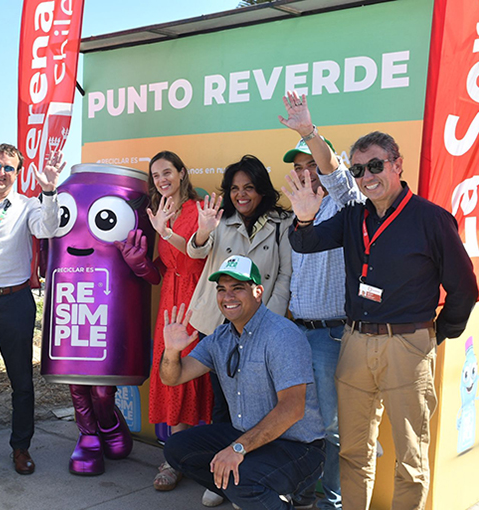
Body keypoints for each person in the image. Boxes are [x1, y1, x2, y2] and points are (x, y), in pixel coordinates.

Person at [284, 125, 478, 509]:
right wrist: (304, 218)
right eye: (357, 171)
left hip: (409, 344)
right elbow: (307, 244)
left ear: (397, 165)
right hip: (354, 343)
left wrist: (432, 335)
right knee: (353, 451)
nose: (366, 177)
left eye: (374, 166)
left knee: (410, 459)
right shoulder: (354, 216)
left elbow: (465, 289)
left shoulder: (431, 219)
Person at [161, 255, 326, 510]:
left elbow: (293, 409)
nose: (228, 296)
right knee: (177, 449)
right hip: (250, 437)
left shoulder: (282, 335)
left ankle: (268, 493)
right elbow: (173, 377)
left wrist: (237, 448)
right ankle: (254, 493)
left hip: (297, 448)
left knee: (242, 482)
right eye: (222, 289)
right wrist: (171, 351)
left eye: (238, 288)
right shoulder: (221, 336)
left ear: (258, 292)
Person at [187, 154, 293, 506]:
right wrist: (203, 230)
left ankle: (253, 475)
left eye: (248, 187)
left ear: (262, 189)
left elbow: (283, 278)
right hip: (218, 324)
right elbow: (196, 250)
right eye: (234, 189)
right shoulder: (220, 220)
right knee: (223, 404)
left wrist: (266, 323)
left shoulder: (283, 222)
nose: (241, 195)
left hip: (259, 327)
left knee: (260, 405)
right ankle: (221, 479)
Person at [277, 91, 364, 510]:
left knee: (332, 429)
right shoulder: (297, 212)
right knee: (298, 422)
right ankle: (302, 495)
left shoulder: (346, 204)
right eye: (299, 168)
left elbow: (335, 173)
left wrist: (309, 132)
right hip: (297, 332)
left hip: (332, 334)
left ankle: (332, 502)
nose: (307, 173)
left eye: (313, 165)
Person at [0, 144, 64, 475]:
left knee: (22, 380)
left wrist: (49, 191)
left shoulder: (28, 205)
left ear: (18, 173)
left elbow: (47, 229)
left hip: (16, 301)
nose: (1, 173)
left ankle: (21, 447)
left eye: (9, 168)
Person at [145, 151, 211, 491]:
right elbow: (164, 266)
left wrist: (167, 232)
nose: (161, 180)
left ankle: (199, 459)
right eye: (156, 175)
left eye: (167, 172)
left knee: (192, 374)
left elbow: (192, 263)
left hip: (194, 301)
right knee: (170, 373)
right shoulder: (161, 210)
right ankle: (174, 456)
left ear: (182, 173)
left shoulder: (199, 209)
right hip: (170, 299)